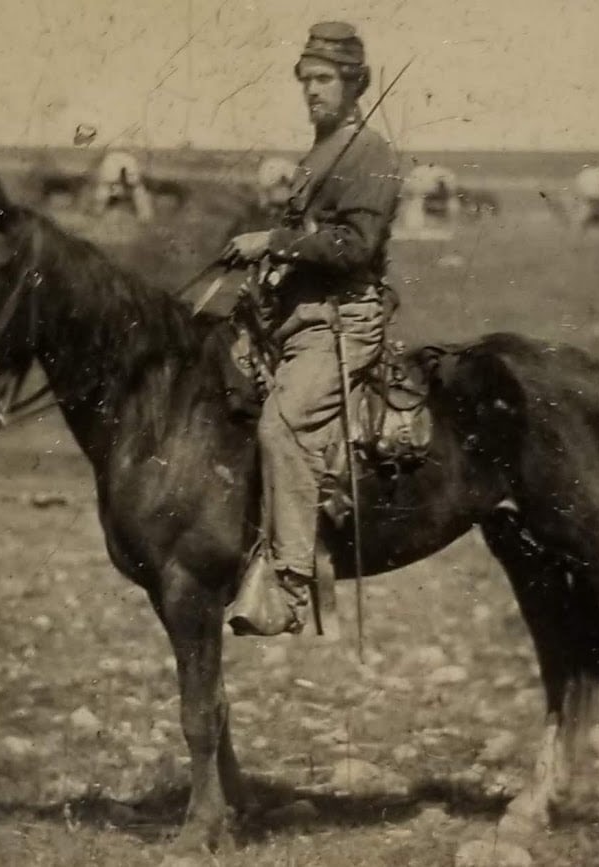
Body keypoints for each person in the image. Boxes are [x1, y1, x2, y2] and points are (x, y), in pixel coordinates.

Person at [222, 21, 402, 636]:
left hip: (342, 323)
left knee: (283, 427)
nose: (312, 90)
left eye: (324, 79)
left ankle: (290, 587)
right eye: (306, 79)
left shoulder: (370, 153)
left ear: (354, 84)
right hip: (298, 320)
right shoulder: (320, 153)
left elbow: (355, 245)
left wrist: (272, 241)